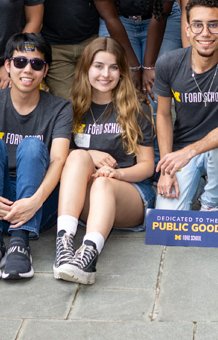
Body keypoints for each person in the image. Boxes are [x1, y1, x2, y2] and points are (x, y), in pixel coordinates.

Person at [0, 34, 73, 280]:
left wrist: (34, 202)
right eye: (20, 62)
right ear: (8, 66)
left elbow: (58, 161)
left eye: (36, 63)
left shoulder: (61, 108)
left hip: (38, 200)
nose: (27, 69)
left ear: (46, 70)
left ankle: (20, 241)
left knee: (32, 146)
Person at [53, 38, 156, 285]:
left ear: (121, 72)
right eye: (98, 66)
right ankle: (65, 244)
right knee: (77, 155)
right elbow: (58, 158)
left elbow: (147, 167)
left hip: (129, 194)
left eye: (112, 67)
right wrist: (89, 154)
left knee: (103, 184)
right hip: (86, 199)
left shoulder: (137, 108)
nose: (105, 74)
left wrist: (118, 174)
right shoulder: (71, 109)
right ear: (86, 69)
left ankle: (88, 254)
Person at [153, 0, 218, 211]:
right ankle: (196, 184)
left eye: (213, 25)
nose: (205, 33)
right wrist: (166, 167)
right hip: (182, 149)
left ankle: (211, 204)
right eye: (197, 25)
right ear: (188, 29)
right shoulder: (169, 63)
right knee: (168, 215)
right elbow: (162, 115)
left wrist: (190, 152)